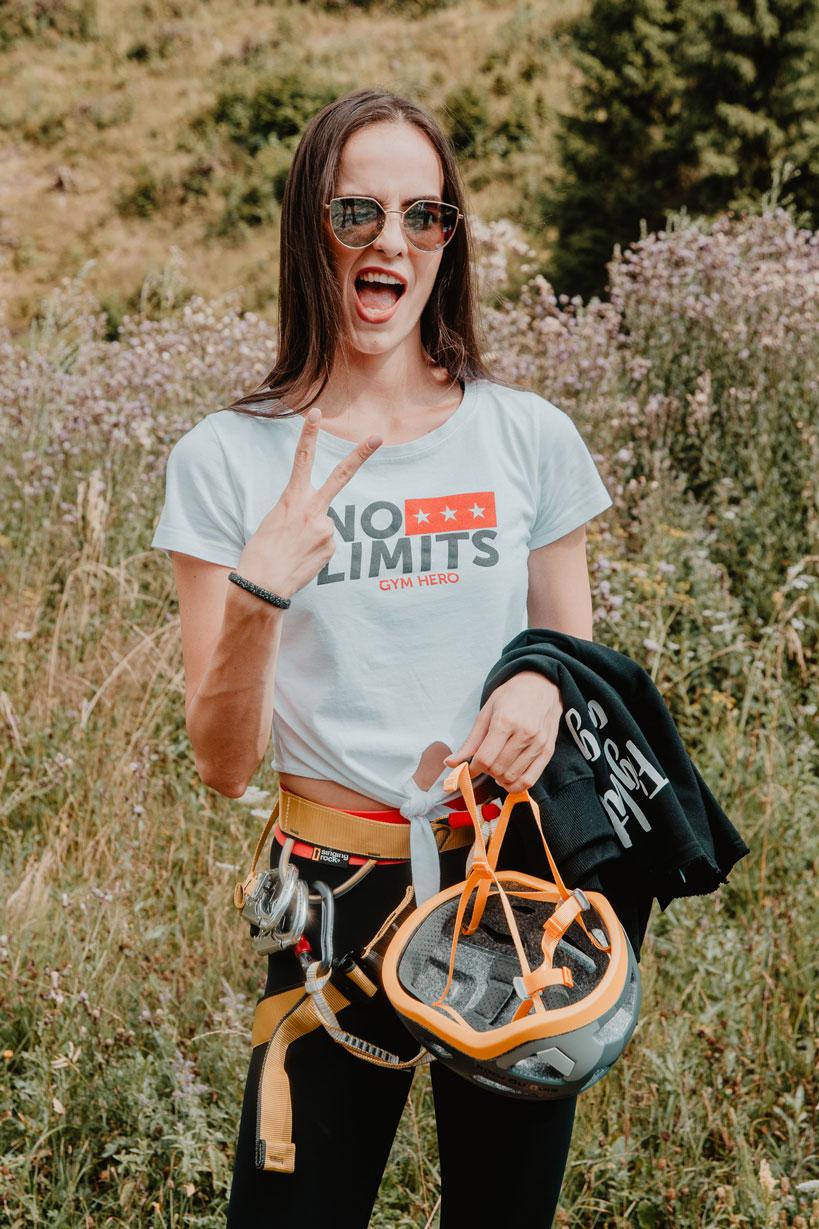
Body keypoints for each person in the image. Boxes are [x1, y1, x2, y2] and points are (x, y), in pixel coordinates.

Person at [151, 87, 614, 1229]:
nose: (390, 241)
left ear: (449, 241)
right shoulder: (225, 458)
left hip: (510, 886)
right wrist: (260, 592)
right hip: (329, 896)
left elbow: (576, 664)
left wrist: (540, 676)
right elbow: (221, 763)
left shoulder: (527, 436)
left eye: (423, 215)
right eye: (356, 210)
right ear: (309, 226)